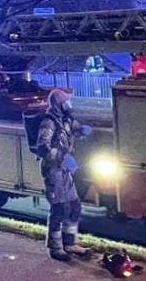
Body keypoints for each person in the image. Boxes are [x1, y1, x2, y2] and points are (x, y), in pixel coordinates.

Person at [35, 88, 93, 261]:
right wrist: (62, 157)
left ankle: (70, 243)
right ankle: (56, 247)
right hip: (53, 170)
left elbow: (73, 131)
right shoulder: (49, 122)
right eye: (67, 101)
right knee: (59, 209)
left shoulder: (65, 120)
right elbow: (43, 148)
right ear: (59, 103)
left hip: (64, 170)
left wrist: (82, 130)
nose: (70, 104)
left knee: (74, 206)